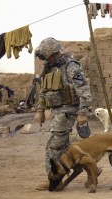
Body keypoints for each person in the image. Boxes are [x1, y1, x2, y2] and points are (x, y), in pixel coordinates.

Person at [33, 37, 94, 190]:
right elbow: (43, 89)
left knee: (53, 145)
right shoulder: (49, 67)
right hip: (56, 110)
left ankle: (54, 179)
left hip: (67, 111)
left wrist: (82, 113)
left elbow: (84, 92)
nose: (48, 60)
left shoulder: (71, 67)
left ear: (54, 53)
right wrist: (40, 109)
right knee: (65, 147)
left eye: (49, 57)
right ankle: (92, 170)